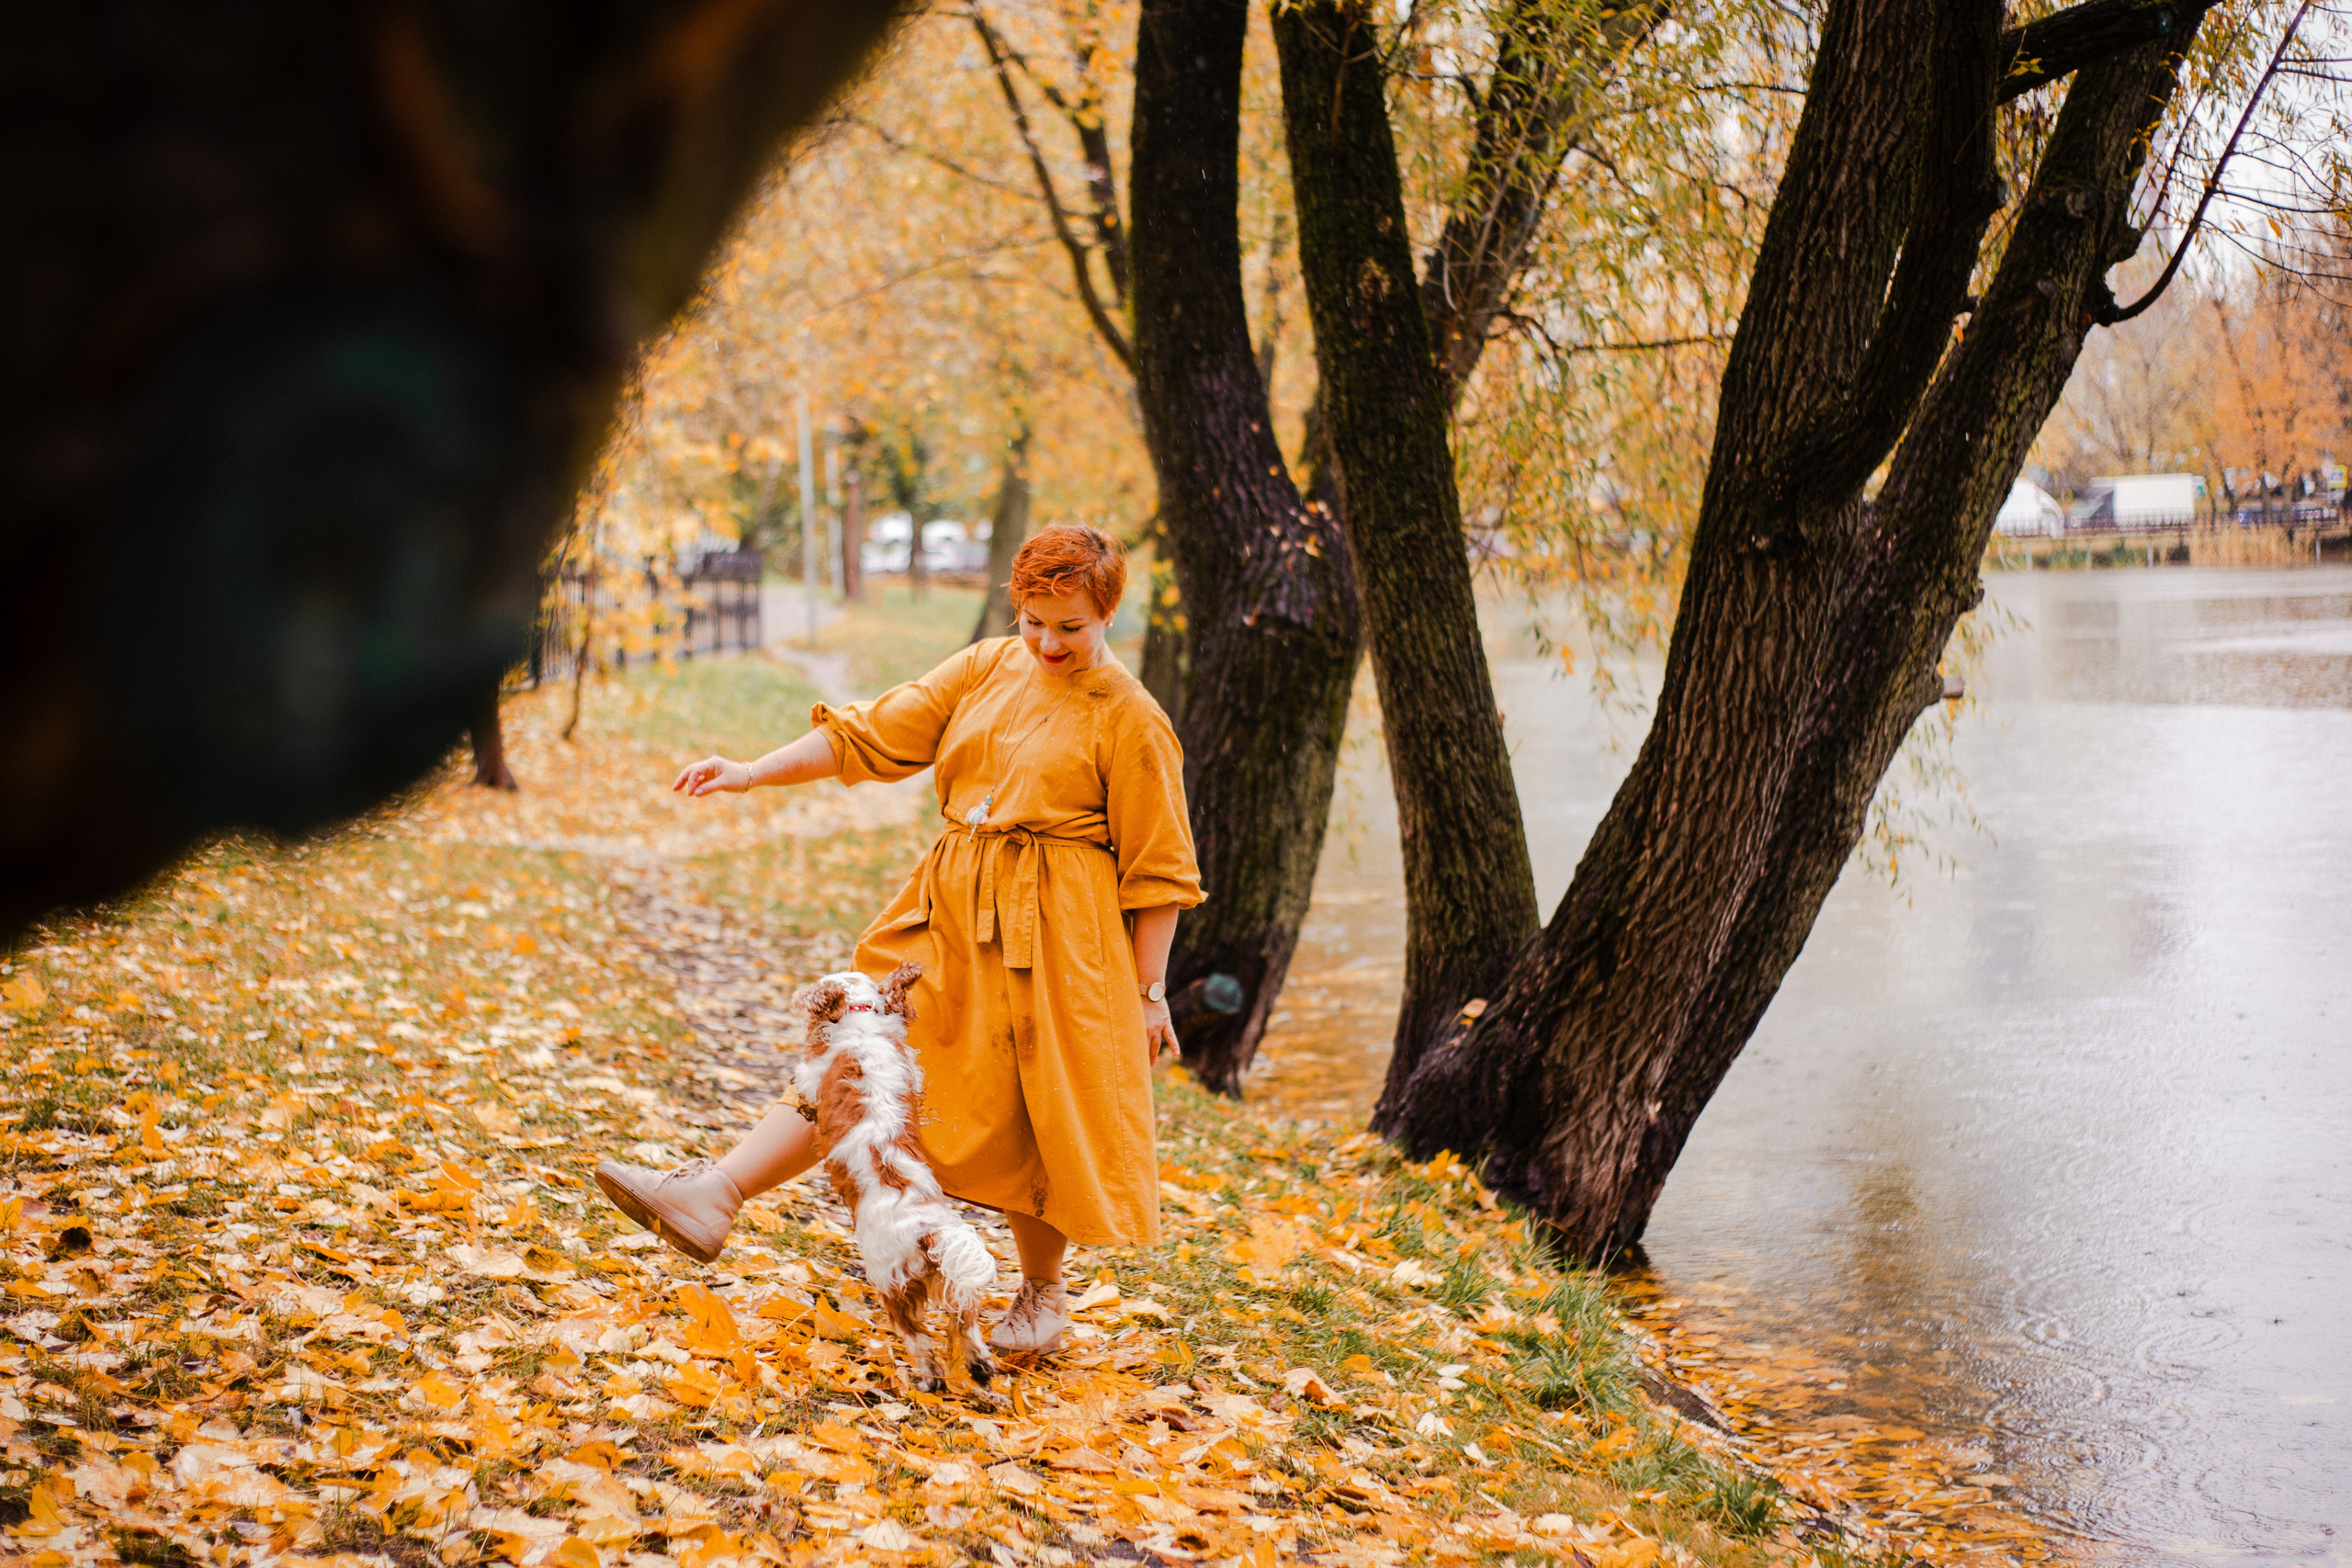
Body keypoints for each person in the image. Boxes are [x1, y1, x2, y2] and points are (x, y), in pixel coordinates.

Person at [594, 524, 1201, 1354]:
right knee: (865, 1054)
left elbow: (1159, 871)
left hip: (1062, 940)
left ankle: (1044, 1297)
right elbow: (870, 733)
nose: (1048, 642)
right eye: (1033, 619)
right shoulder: (988, 665)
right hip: (948, 916)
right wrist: (749, 770)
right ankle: (717, 1191)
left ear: (1107, 612)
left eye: (1071, 625)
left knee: (1037, 1105)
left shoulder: (1133, 717)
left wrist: (1149, 992)